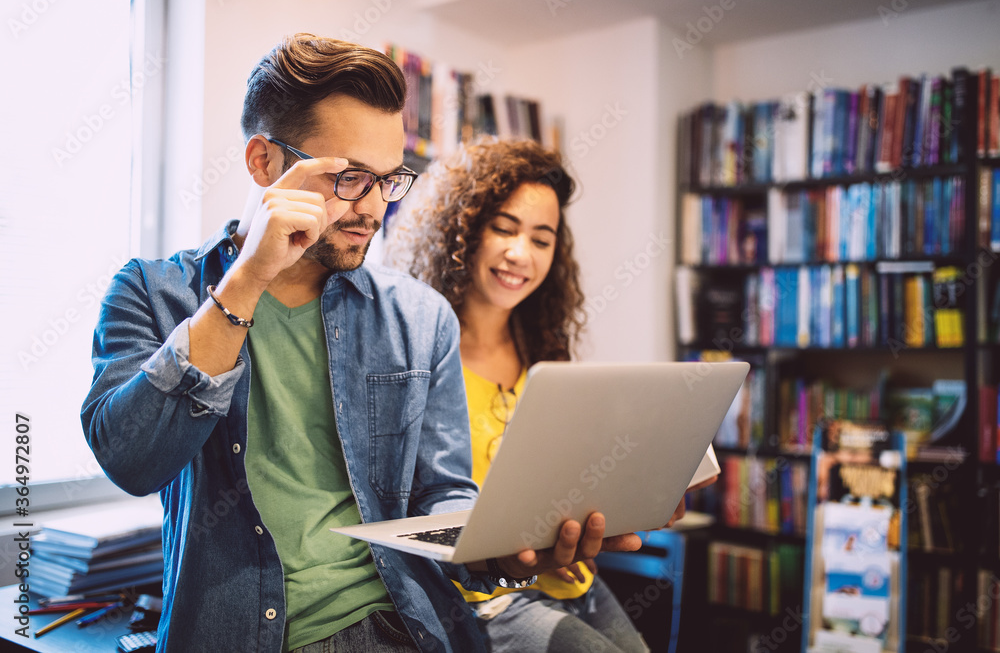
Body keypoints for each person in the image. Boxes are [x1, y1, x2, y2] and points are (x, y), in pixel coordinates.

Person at [80, 35, 638, 653]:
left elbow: (442, 500)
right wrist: (244, 284)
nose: (372, 207)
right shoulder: (150, 293)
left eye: (386, 179)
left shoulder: (419, 317)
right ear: (264, 163)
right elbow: (131, 462)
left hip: (409, 629)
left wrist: (512, 552)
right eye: (348, 178)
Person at [385, 138, 694, 652]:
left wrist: (636, 494)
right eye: (503, 229)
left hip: (569, 576)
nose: (519, 254)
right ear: (459, 230)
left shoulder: (542, 351)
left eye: (541, 239)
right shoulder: (416, 350)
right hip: (486, 593)